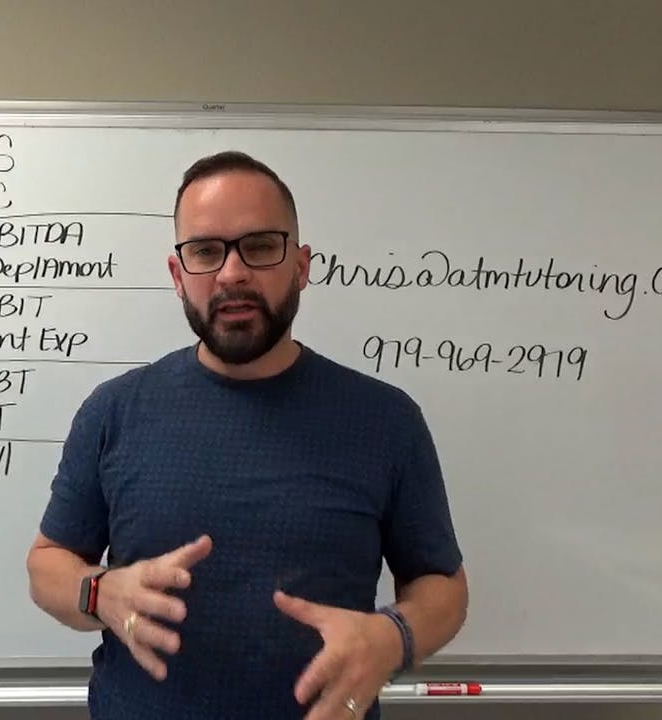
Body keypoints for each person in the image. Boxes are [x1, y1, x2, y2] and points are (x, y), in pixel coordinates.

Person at [26, 150, 467, 720]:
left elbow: (443, 588)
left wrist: (392, 637)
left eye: (259, 246)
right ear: (178, 276)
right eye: (205, 251)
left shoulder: (386, 420)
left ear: (301, 266)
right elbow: (48, 564)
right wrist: (98, 592)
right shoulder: (114, 412)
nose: (232, 273)